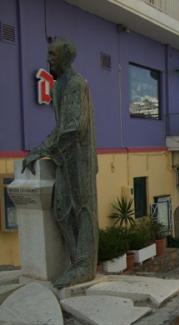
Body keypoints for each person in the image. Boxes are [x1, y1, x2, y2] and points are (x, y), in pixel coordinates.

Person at [22, 40, 98, 288]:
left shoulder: (76, 84)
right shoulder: (57, 87)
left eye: (53, 55)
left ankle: (84, 266)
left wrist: (42, 149)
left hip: (80, 157)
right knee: (63, 210)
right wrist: (42, 150)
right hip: (64, 158)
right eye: (48, 54)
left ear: (66, 57)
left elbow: (75, 127)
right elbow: (62, 127)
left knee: (83, 210)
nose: (49, 59)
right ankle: (77, 261)